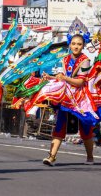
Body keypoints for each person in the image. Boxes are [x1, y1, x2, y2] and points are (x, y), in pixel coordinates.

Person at [41, 33, 95, 166]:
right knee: (60, 125)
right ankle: (52, 156)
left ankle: (90, 157)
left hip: (80, 99)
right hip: (66, 97)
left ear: (83, 46)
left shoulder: (86, 60)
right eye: (74, 44)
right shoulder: (65, 59)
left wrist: (64, 78)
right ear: (70, 44)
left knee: (85, 127)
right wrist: (51, 77)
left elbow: (80, 82)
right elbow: (63, 78)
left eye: (79, 44)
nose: (76, 47)